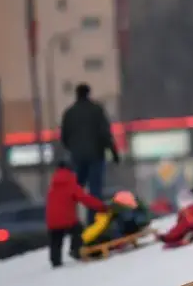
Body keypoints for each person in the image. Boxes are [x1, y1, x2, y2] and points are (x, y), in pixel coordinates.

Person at [60, 83, 120, 224]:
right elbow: (105, 133)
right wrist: (113, 152)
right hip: (96, 156)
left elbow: (64, 137)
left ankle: (72, 222)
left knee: (76, 192)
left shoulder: (69, 113)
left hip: (77, 158)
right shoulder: (96, 110)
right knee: (95, 191)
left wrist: (74, 149)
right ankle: (93, 222)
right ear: (88, 93)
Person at [45, 159, 107, 268]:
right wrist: (101, 206)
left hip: (52, 221)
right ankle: (76, 250)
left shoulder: (53, 185)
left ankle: (55, 261)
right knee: (78, 230)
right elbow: (85, 199)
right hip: (67, 220)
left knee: (55, 240)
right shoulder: (71, 183)